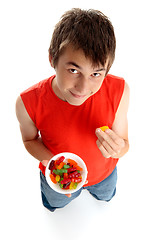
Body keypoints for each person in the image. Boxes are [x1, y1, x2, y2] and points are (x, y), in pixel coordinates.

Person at [16, 8, 129, 212]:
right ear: (52, 59)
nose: (83, 88)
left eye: (96, 73)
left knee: (106, 197)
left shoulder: (120, 90)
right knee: (55, 204)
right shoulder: (27, 102)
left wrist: (119, 148)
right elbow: (29, 140)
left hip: (104, 175)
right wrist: (55, 165)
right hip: (57, 178)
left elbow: (125, 143)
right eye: (73, 70)